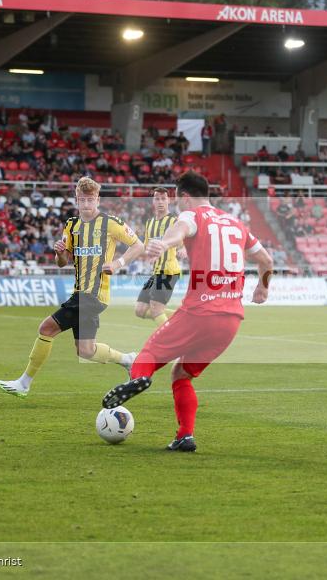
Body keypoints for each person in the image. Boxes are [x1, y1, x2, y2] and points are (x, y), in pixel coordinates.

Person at [101, 172, 274, 452]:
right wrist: (262, 288)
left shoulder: (193, 216)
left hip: (200, 312)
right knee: (181, 374)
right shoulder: (236, 222)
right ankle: (185, 435)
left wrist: (164, 244)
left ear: (183, 196)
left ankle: (139, 378)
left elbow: (180, 229)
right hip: (231, 320)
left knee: (149, 355)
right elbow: (266, 260)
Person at [0, 177, 145, 398]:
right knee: (85, 350)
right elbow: (63, 262)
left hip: (93, 294)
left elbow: (138, 245)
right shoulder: (71, 226)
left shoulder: (110, 223)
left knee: (46, 328)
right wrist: (59, 253)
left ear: (97, 200)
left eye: (90, 199)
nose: (86, 204)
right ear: (76, 200)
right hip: (80, 293)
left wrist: (117, 263)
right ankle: (128, 360)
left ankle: (24, 383)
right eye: (82, 199)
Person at [135, 188, 181, 326]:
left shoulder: (174, 221)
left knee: (155, 308)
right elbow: (147, 246)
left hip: (168, 271)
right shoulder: (150, 223)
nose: (160, 202)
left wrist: (183, 249)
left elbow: (182, 239)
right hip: (155, 273)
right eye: (157, 198)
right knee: (140, 310)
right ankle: (184, 318)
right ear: (153, 201)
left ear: (169, 200)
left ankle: (170, 339)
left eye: (163, 198)